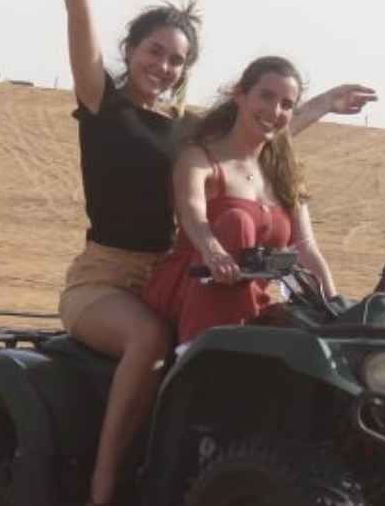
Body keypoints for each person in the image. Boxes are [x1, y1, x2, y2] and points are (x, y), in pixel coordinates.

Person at [51, 0, 374, 506]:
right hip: (104, 281)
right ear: (131, 51)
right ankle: (100, 499)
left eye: (177, 60)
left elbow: (257, 137)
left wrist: (321, 104)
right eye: (154, 52)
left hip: (181, 275)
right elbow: (80, 26)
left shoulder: (187, 132)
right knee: (148, 342)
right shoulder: (103, 104)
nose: (163, 67)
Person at [141, 57, 341, 345]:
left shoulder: (285, 174)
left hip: (250, 302)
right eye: (266, 96)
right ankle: (196, 352)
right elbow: (192, 213)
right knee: (237, 222)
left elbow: (306, 248)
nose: (275, 111)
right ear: (240, 95)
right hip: (189, 286)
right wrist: (213, 251)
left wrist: (334, 305)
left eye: (286, 104)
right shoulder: (199, 157)